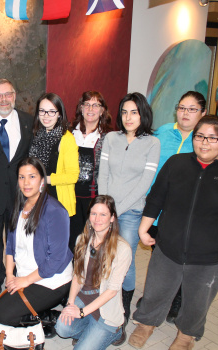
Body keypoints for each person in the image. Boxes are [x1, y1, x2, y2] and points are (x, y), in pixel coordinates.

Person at [128, 115, 218, 349]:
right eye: (200, 136)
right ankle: (147, 323)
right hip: (168, 245)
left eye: (212, 138)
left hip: (213, 255)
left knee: (198, 299)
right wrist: (143, 228)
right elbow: (156, 197)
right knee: (155, 289)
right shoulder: (176, 163)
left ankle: (187, 334)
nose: (204, 142)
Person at [97, 92, 160, 330]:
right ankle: (102, 304)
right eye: (124, 112)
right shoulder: (111, 138)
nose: (128, 117)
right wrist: (104, 207)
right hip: (106, 210)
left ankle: (121, 310)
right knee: (103, 256)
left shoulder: (152, 143)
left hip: (132, 212)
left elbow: (145, 183)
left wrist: (117, 211)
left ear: (143, 113)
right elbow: (103, 174)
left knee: (126, 261)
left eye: (134, 112)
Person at [0, 157, 73, 333]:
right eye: (21, 177)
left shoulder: (55, 211)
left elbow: (55, 260)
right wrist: (9, 275)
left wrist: (25, 281)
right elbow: (11, 245)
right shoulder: (20, 205)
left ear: (42, 180)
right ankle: (41, 315)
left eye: (32, 177)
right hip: (26, 274)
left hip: (51, 279)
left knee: (2, 315)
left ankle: (49, 318)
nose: (26, 183)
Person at [55, 195, 131, 348]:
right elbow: (77, 275)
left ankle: (116, 331)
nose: (97, 219)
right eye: (93, 213)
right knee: (61, 329)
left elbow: (112, 291)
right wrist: (70, 304)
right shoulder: (82, 240)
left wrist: (81, 313)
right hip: (84, 297)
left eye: (103, 214)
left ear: (112, 218)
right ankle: (89, 330)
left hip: (106, 307)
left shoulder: (122, 249)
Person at [0, 78, 34, 294]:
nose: (3, 100)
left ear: (14, 96)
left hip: (20, 194)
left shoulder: (29, 121)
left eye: (7, 94)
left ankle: (20, 277)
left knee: (20, 239)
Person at [28, 92, 79, 226]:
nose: (46, 116)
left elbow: (73, 176)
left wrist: (45, 179)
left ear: (59, 113)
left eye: (51, 111)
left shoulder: (66, 138)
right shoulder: (36, 135)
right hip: (37, 198)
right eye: (42, 111)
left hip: (58, 200)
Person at [70, 91, 112, 251]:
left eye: (96, 105)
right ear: (81, 108)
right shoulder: (69, 132)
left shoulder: (108, 136)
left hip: (93, 198)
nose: (90, 108)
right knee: (72, 240)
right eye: (87, 104)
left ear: (102, 110)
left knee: (92, 241)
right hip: (70, 197)